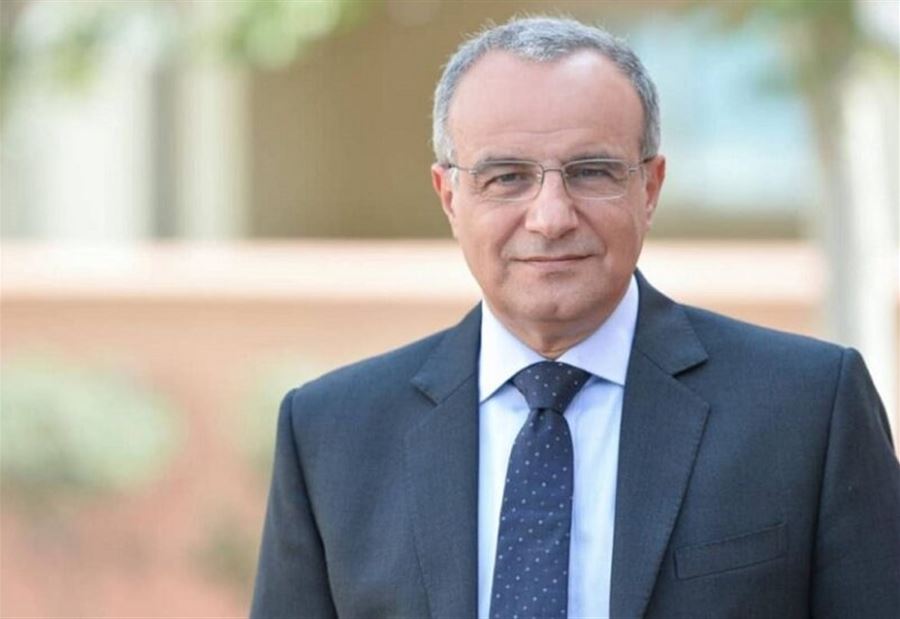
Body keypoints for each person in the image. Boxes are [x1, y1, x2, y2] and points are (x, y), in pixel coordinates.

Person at [250, 16, 900, 619]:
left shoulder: (809, 410)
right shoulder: (331, 434)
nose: (551, 217)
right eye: (507, 177)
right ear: (450, 197)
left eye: (591, 172)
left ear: (649, 188)